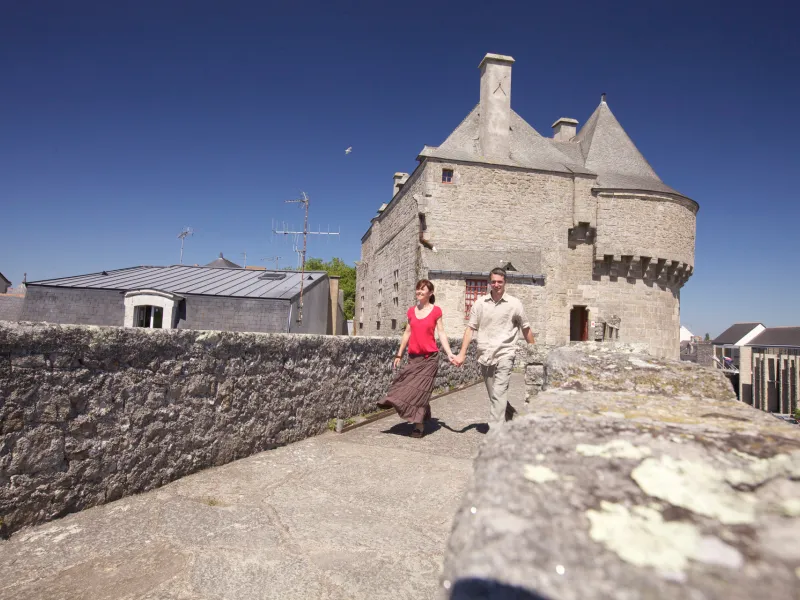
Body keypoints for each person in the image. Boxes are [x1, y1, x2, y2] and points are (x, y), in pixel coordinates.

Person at [453, 267, 535, 423]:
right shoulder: (480, 304)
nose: (496, 285)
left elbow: (526, 328)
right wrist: (462, 354)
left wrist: (535, 352)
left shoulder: (514, 304)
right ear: (489, 283)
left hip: (506, 353)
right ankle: (513, 419)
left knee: (498, 393)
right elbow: (470, 329)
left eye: (500, 282)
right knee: (495, 395)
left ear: (505, 283)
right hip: (485, 354)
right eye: (493, 282)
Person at [377, 279, 456, 438]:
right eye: (417, 290)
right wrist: (399, 353)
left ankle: (418, 425)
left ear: (430, 293)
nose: (419, 292)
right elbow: (407, 333)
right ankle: (393, 401)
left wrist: (449, 353)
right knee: (403, 384)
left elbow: (441, 333)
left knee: (421, 392)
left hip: (429, 359)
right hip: (413, 358)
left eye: (423, 290)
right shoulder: (411, 311)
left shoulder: (436, 311)